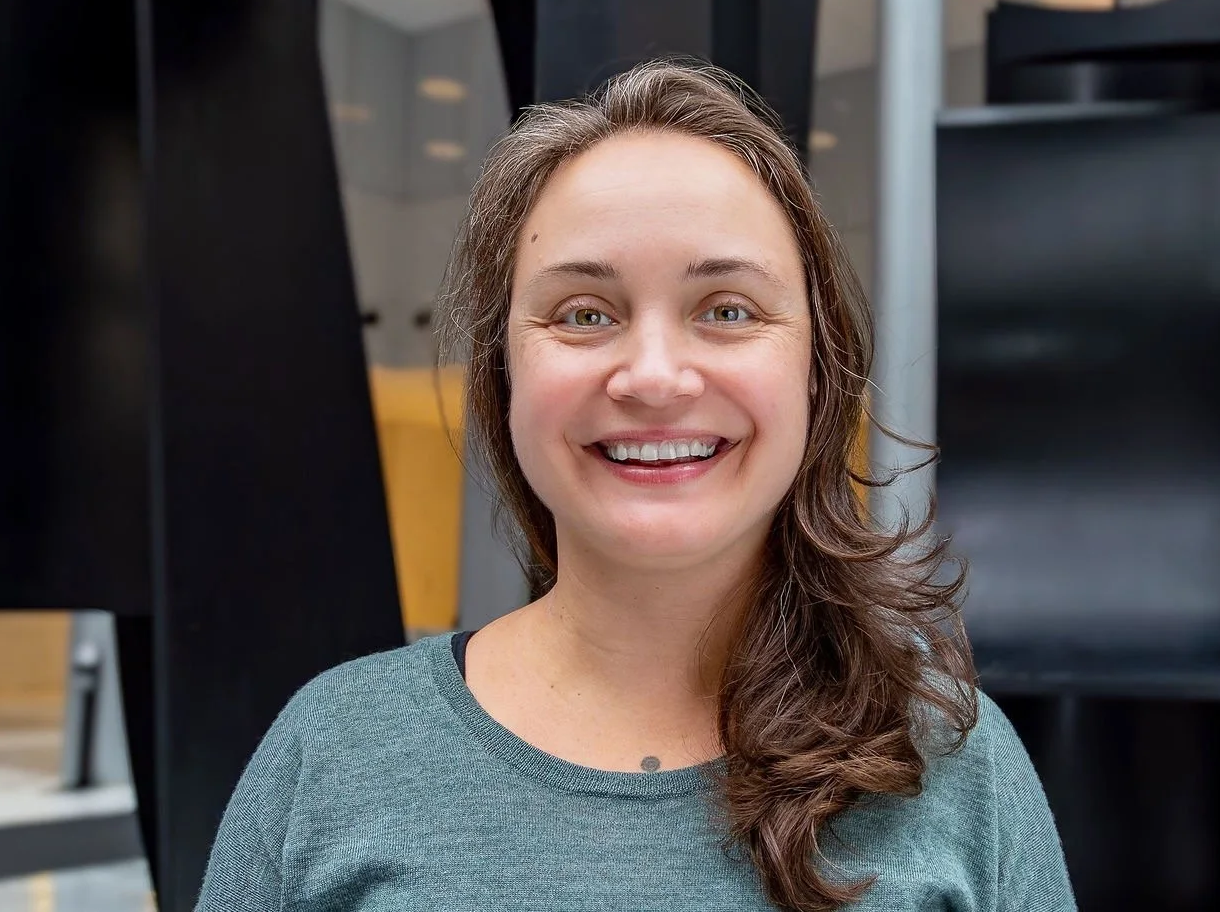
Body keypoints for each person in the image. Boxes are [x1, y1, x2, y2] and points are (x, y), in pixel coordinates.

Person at [194, 60, 1076, 911]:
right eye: (584, 314)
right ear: (505, 379)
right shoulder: (335, 752)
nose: (654, 377)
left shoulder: (951, 763)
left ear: (818, 368)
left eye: (727, 309)